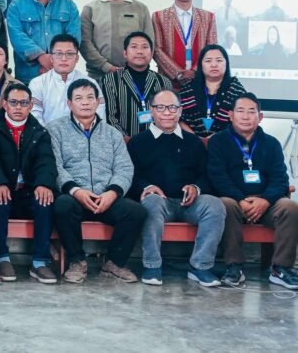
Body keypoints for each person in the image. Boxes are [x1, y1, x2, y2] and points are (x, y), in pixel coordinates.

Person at [51, 79, 145, 284]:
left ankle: (114, 264)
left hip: (105, 197)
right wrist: (76, 191)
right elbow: (55, 167)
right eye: (78, 98)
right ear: (69, 104)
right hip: (74, 196)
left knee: (135, 211)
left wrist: (112, 193)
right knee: (62, 205)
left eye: (90, 98)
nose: (85, 102)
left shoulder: (112, 134)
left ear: (97, 102)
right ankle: (76, 262)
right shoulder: (55, 130)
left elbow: (124, 168)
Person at [127, 90, 224, 287]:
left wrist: (196, 187)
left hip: (189, 203)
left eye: (172, 108)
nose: (167, 112)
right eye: (160, 107)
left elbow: (207, 174)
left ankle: (200, 266)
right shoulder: (138, 142)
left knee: (215, 205)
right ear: (151, 111)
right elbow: (130, 175)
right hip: (159, 203)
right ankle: (152, 265)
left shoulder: (193, 142)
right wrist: (147, 187)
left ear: (180, 111)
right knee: (151, 202)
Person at [208, 93, 298, 289]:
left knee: (290, 207)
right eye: (240, 111)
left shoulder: (271, 143)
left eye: (251, 112)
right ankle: (234, 267)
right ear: (231, 115)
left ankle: (281, 269)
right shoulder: (218, 141)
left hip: (265, 202)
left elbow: (280, 179)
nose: (246, 116)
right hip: (234, 201)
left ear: (260, 117)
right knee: (225, 204)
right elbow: (217, 177)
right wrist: (240, 199)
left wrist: (265, 200)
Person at [0, 83, 59, 284]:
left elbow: (46, 161)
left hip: (28, 189)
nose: (18, 107)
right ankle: (2, 258)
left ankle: (40, 262)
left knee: (45, 200)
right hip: (3, 187)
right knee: (0, 199)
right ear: (5, 104)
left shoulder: (39, 131)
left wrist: (43, 184)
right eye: (13, 102)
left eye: (23, 103)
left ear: (30, 106)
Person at [6, 0, 81, 83]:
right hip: (27, 77)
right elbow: (17, 36)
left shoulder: (68, 5)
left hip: (61, 76)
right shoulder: (16, 5)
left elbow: (74, 37)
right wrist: (41, 57)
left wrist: (53, 62)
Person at [80, 0, 155, 81]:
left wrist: (137, 66)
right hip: (99, 75)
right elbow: (85, 43)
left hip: (134, 75)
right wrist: (106, 66)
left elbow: (149, 42)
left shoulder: (140, 8)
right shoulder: (90, 9)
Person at [153, 0, 217, 89]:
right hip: (168, 83)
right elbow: (157, 50)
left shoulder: (208, 17)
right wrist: (178, 73)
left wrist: (194, 72)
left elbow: (212, 49)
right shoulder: (159, 16)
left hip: (200, 82)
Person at [100, 31, 173, 137]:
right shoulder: (110, 80)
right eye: (134, 47)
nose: (139, 51)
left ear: (152, 53)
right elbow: (109, 116)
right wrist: (124, 139)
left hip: (158, 140)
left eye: (145, 47)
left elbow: (169, 115)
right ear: (125, 53)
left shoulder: (163, 82)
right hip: (123, 142)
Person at [29, 34, 105, 126]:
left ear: (77, 58)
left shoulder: (91, 83)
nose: (64, 59)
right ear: (51, 58)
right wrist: (48, 134)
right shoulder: (37, 83)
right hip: (46, 134)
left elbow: (99, 118)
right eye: (59, 54)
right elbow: (35, 118)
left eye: (69, 54)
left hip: (84, 134)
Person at [179, 45, 247, 139]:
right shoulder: (188, 89)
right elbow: (179, 118)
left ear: (226, 63)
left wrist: (215, 139)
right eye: (208, 61)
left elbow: (242, 120)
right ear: (201, 65)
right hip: (190, 142)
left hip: (226, 142)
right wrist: (196, 140)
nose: (214, 65)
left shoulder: (237, 90)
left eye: (219, 60)